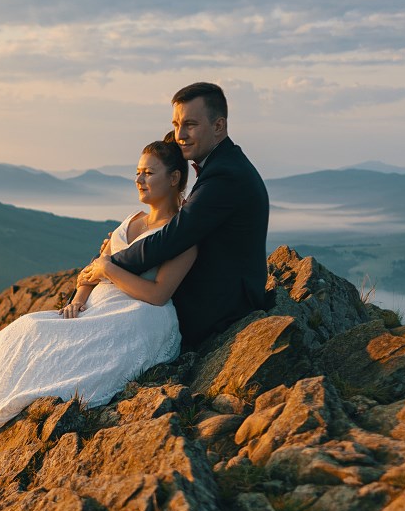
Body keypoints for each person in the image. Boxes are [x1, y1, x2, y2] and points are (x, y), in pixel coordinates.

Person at [0, 139, 197, 460]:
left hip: (137, 312)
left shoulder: (182, 234)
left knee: (53, 345)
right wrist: (79, 298)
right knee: (26, 327)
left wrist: (107, 269)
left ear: (174, 178)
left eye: (149, 173)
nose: (139, 180)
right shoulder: (132, 219)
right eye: (137, 172)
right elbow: (94, 267)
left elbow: (158, 294)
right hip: (96, 305)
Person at [85, 83, 269, 351]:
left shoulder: (225, 176)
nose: (180, 134)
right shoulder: (223, 166)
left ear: (218, 126)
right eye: (176, 124)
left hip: (221, 306)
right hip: (214, 292)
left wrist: (111, 263)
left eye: (190, 124)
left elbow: (173, 238)